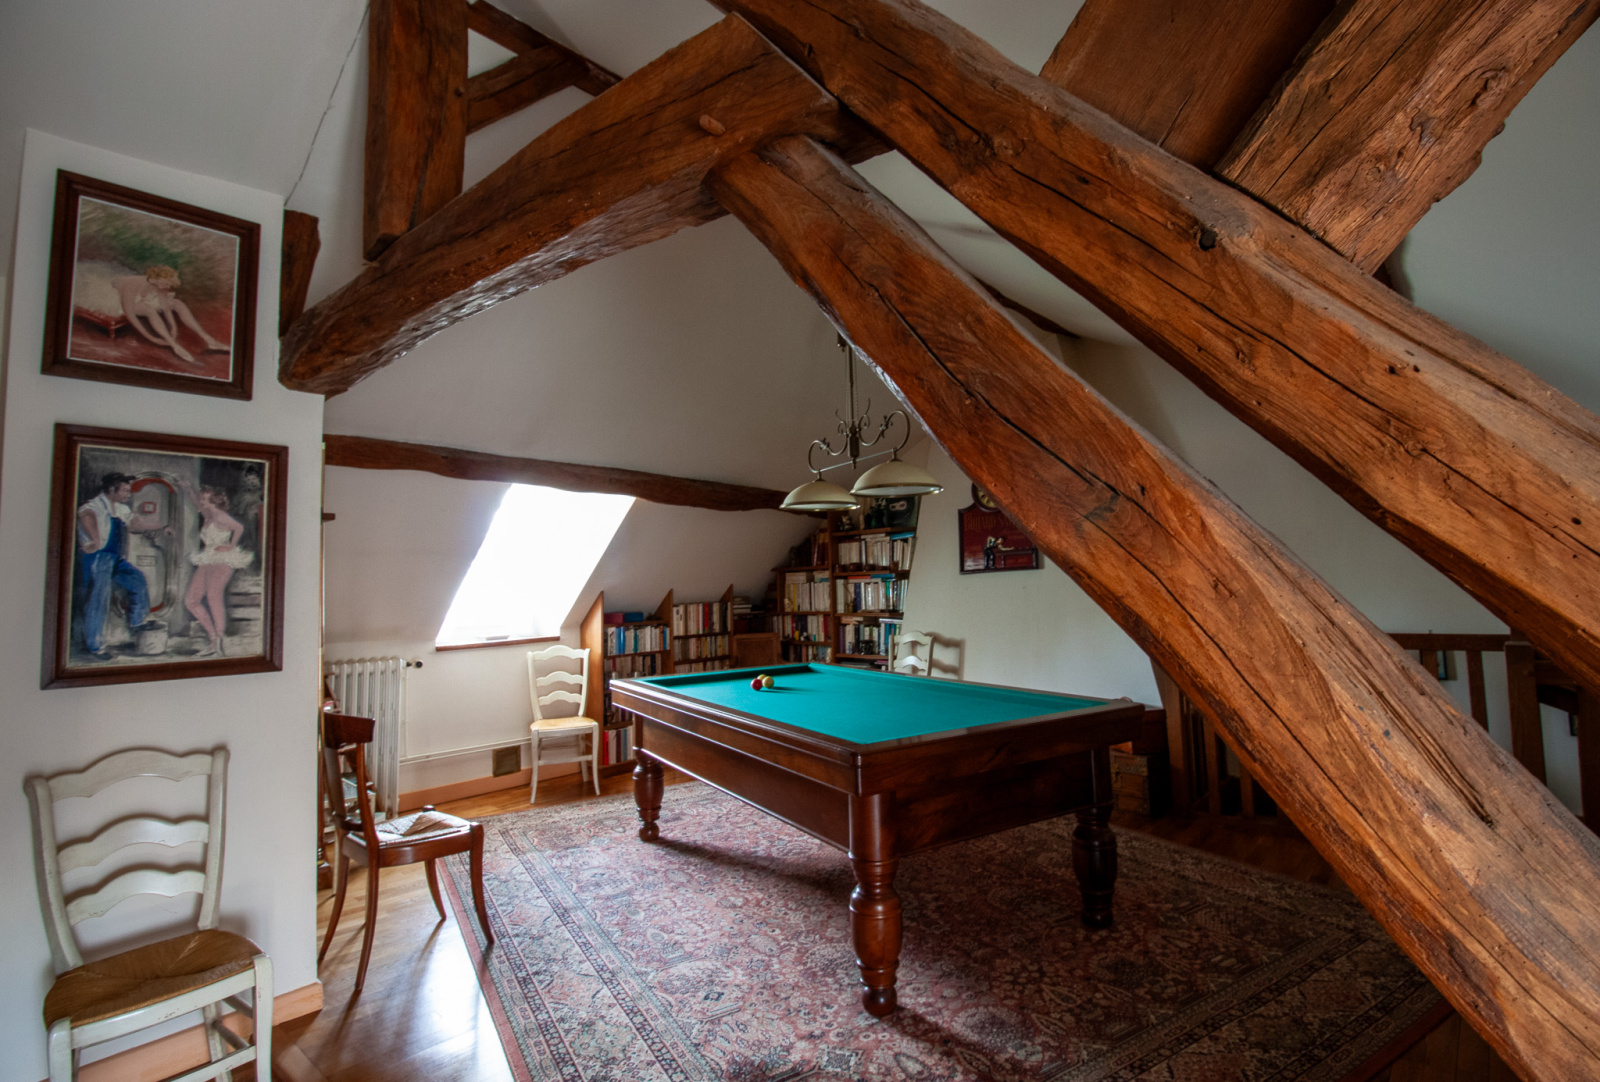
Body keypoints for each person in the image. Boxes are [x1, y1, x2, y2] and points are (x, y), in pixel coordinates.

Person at [75, 473, 157, 658]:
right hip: (99, 558)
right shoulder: (94, 505)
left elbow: (134, 524)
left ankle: (136, 622)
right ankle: (96, 646)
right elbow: (84, 514)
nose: (129, 494)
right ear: (112, 490)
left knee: (137, 580)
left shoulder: (120, 508)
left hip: (115, 559)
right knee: (98, 600)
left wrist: (159, 526)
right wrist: (95, 540)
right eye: (125, 490)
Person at [180, 482, 251, 656]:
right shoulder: (208, 514)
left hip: (221, 560)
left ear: (213, 501)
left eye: (204, 499)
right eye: (201, 498)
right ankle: (213, 638)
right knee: (191, 600)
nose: (201, 501)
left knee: (213, 596)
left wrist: (230, 546)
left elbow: (239, 527)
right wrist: (187, 489)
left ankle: (218, 641)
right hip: (208, 558)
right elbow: (196, 504)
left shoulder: (219, 515)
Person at [111, 264, 230, 365]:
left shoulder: (158, 284)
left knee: (178, 303)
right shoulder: (133, 285)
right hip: (121, 300)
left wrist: (173, 328)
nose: (168, 286)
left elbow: (165, 307)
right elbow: (130, 315)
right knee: (149, 310)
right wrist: (153, 338)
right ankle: (174, 345)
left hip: (144, 298)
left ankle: (209, 340)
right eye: (167, 283)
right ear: (157, 278)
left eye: (169, 284)